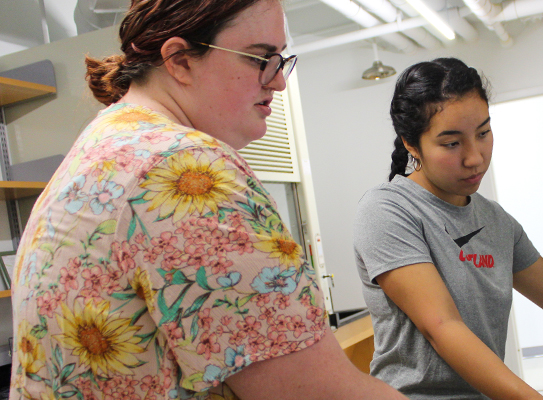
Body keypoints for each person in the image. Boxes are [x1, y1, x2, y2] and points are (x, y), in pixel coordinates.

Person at [9, 1, 406, 399]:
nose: (278, 81)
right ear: (180, 60)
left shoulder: (106, 143)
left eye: (280, 60)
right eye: (261, 58)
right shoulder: (181, 167)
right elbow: (320, 393)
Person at [353, 57, 543, 400]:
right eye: (452, 143)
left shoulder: (495, 220)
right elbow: (442, 326)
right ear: (411, 144)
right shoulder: (388, 210)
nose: (475, 157)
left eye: (483, 133)